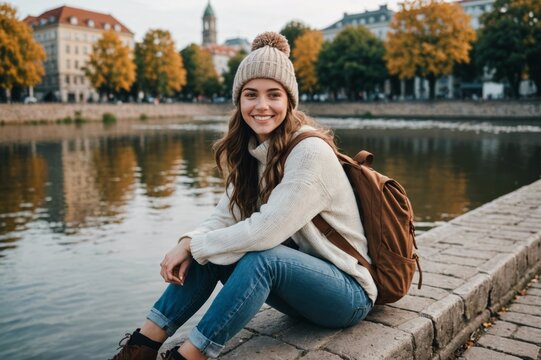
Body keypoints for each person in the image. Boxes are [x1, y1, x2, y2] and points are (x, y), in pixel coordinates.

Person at [110, 32, 376, 360]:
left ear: (289, 101)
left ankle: (190, 355)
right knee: (215, 248)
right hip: (302, 291)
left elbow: (267, 232)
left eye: (273, 95)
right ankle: (142, 346)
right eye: (251, 95)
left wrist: (197, 246)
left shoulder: (309, 151)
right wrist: (187, 243)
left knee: (259, 256)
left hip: (347, 294)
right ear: (239, 101)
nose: (261, 106)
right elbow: (226, 214)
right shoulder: (256, 150)